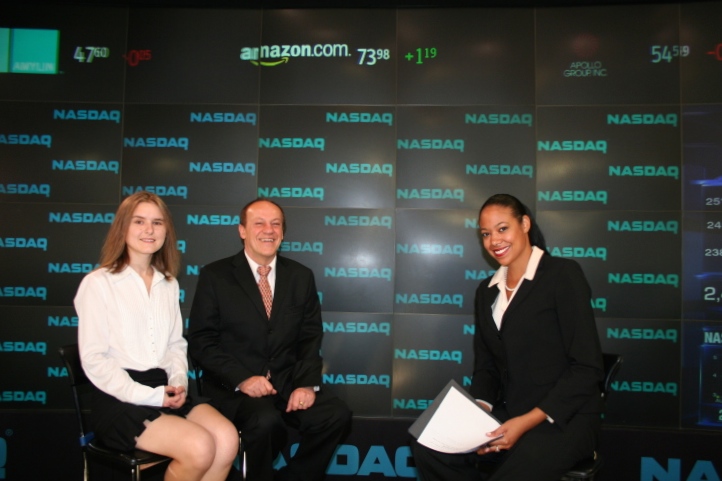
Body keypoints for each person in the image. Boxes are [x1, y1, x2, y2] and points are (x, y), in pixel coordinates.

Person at [412, 193, 604, 481]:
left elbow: (587, 368)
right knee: (427, 444)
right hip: (511, 411)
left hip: (563, 418)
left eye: (503, 229)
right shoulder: (486, 291)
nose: (494, 241)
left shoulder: (562, 274)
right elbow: (487, 366)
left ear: (524, 224)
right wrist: (478, 412)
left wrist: (525, 423)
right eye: (486, 234)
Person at [74, 191, 239, 481]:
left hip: (165, 390)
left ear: (167, 231)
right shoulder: (98, 284)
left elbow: (176, 344)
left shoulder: (168, 283)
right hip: (119, 398)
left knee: (226, 440)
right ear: (122, 227)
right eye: (139, 221)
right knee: (199, 447)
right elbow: (94, 360)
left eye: (157, 223)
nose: (149, 230)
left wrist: (177, 383)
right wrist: (151, 395)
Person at [188, 198, 352, 481]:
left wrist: (305, 383)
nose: (268, 230)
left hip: (288, 382)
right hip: (235, 387)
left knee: (335, 415)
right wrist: (243, 378)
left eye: (276, 224)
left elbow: (310, 336)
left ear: (283, 232)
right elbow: (201, 341)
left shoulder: (300, 276)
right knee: (265, 422)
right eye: (259, 223)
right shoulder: (215, 276)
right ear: (242, 230)